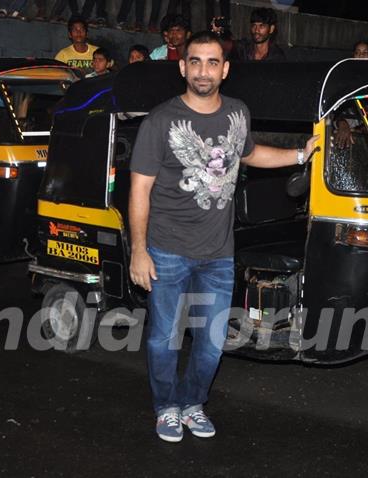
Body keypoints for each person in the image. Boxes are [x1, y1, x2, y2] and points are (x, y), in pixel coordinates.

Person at [129, 31, 318, 443]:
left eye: (212, 62)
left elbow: (249, 154)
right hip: (167, 251)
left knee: (212, 343)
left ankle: (193, 403)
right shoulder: (161, 120)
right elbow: (139, 189)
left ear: (225, 69)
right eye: (195, 61)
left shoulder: (237, 112)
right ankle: (166, 408)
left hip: (218, 254)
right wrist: (139, 251)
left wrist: (302, 154)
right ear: (182, 67)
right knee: (164, 338)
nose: (203, 70)